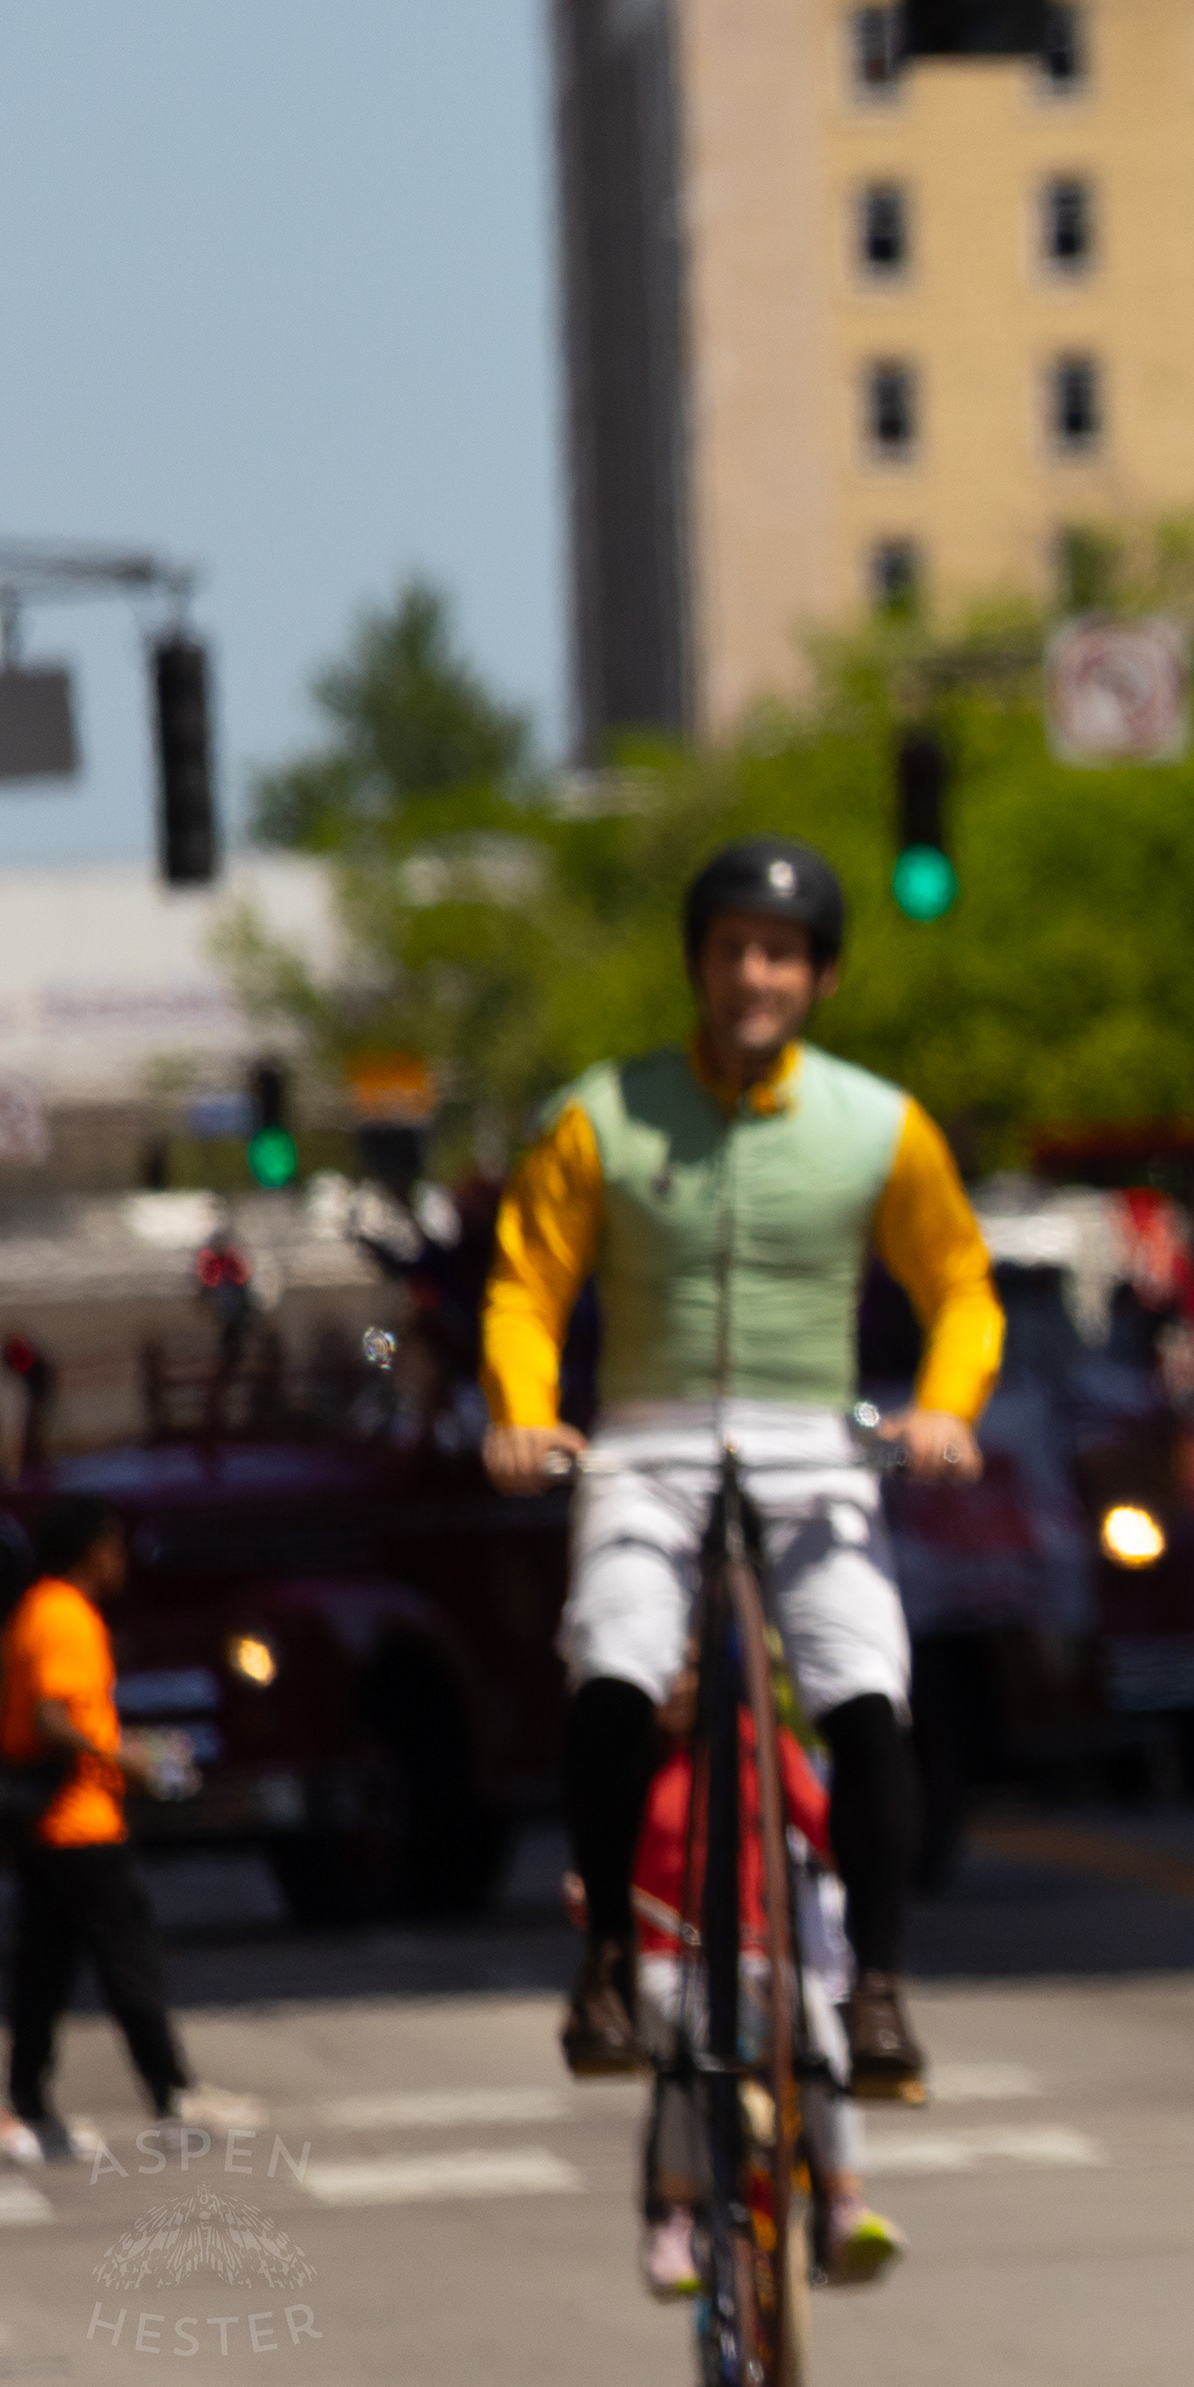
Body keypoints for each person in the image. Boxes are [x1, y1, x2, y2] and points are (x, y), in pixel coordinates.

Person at [481, 838, 1001, 2100]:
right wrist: (522, 1415)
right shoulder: (601, 1114)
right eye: (731, 950)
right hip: (646, 1439)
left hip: (813, 1442)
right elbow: (526, 1285)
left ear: (820, 977)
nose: (751, 975)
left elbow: (962, 1288)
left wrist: (942, 1410)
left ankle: (875, 1986)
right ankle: (607, 1953)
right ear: (697, 964)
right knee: (610, 1667)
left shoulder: (881, 1124)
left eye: (779, 954)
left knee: (867, 1688)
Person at [0, 1498, 262, 2166]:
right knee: (130, 1962)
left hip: (55, 1828)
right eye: (112, 1546)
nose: (121, 1560)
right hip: (81, 1824)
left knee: (44, 1975)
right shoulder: (63, 1615)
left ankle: (28, 2102)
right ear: (89, 1550)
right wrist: (125, 1760)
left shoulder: (38, 1609)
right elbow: (55, 1718)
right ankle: (171, 2093)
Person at [621, 1664, 900, 2297]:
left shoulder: (757, 1745)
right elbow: (598, 1866)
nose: (677, 1685)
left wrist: (873, 1831)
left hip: (754, 1952)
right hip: (668, 1953)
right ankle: (675, 2218)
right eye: (664, 1670)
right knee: (681, 2043)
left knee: (817, 2031)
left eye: (693, 1670)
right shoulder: (627, 1758)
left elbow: (824, 1827)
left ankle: (842, 2205)